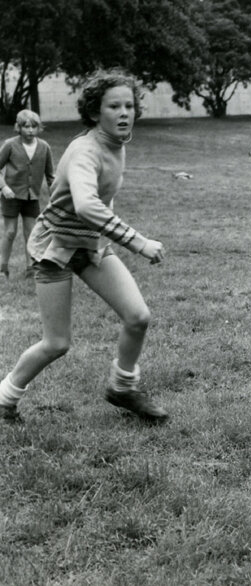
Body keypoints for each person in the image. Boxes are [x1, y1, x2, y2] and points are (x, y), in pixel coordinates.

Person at [0, 72, 167, 424]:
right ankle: (5, 398)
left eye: (129, 105)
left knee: (138, 317)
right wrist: (138, 242)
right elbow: (87, 206)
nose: (124, 113)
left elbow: (99, 204)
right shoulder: (85, 150)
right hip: (55, 246)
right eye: (114, 106)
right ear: (95, 113)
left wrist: (105, 240)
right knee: (56, 343)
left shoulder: (117, 145)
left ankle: (122, 387)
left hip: (90, 245)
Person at [0, 110, 55, 278]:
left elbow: (50, 176)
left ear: (38, 128)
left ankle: (31, 268)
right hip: (11, 196)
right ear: (19, 128)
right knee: (10, 232)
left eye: (34, 127)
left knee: (31, 234)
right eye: (26, 127)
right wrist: (3, 187)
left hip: (32, 198)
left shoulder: (44, 147)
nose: (30, 130)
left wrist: (57, 195)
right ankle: (3, 268)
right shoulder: (10, 144)